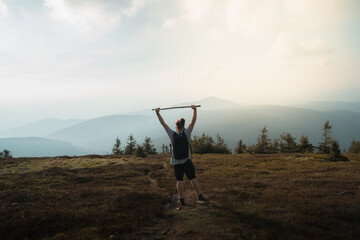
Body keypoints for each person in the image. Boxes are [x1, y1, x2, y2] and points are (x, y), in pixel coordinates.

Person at [155, 105, 207, 206]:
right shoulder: (187, 133)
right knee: (193, 178)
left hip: (176, 162)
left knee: (179, 180)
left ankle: (181, 199)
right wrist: (195, 110)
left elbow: (163, 124)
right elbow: (193, 122)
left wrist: (158, 113)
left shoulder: (172, 134)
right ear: (183, 126)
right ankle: (199, 195)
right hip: (187, 161)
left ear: (176, 127)